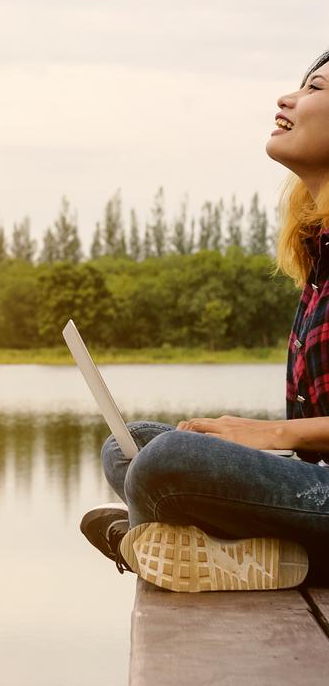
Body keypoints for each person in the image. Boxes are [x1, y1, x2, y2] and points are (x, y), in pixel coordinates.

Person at [80, 48, 329, 592]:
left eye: (316, 89)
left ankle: (161, 541)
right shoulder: (320, 257)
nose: (288, 98)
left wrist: (270, 433)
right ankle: (220, 550)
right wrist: (254, 442)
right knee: (133, 446)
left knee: (169, 461)